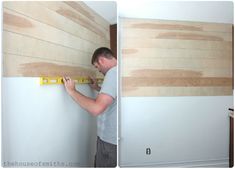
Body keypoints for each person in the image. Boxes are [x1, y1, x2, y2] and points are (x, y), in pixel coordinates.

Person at [63, 47, 117, 167]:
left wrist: (72, 91)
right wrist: (98, 88)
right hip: (115, 141)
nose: (99, 71)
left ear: (101, 60)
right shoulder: (121, 71)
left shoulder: (113, 73)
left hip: (110, 143)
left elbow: (96, 109)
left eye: (97, 67)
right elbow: (114, 97)